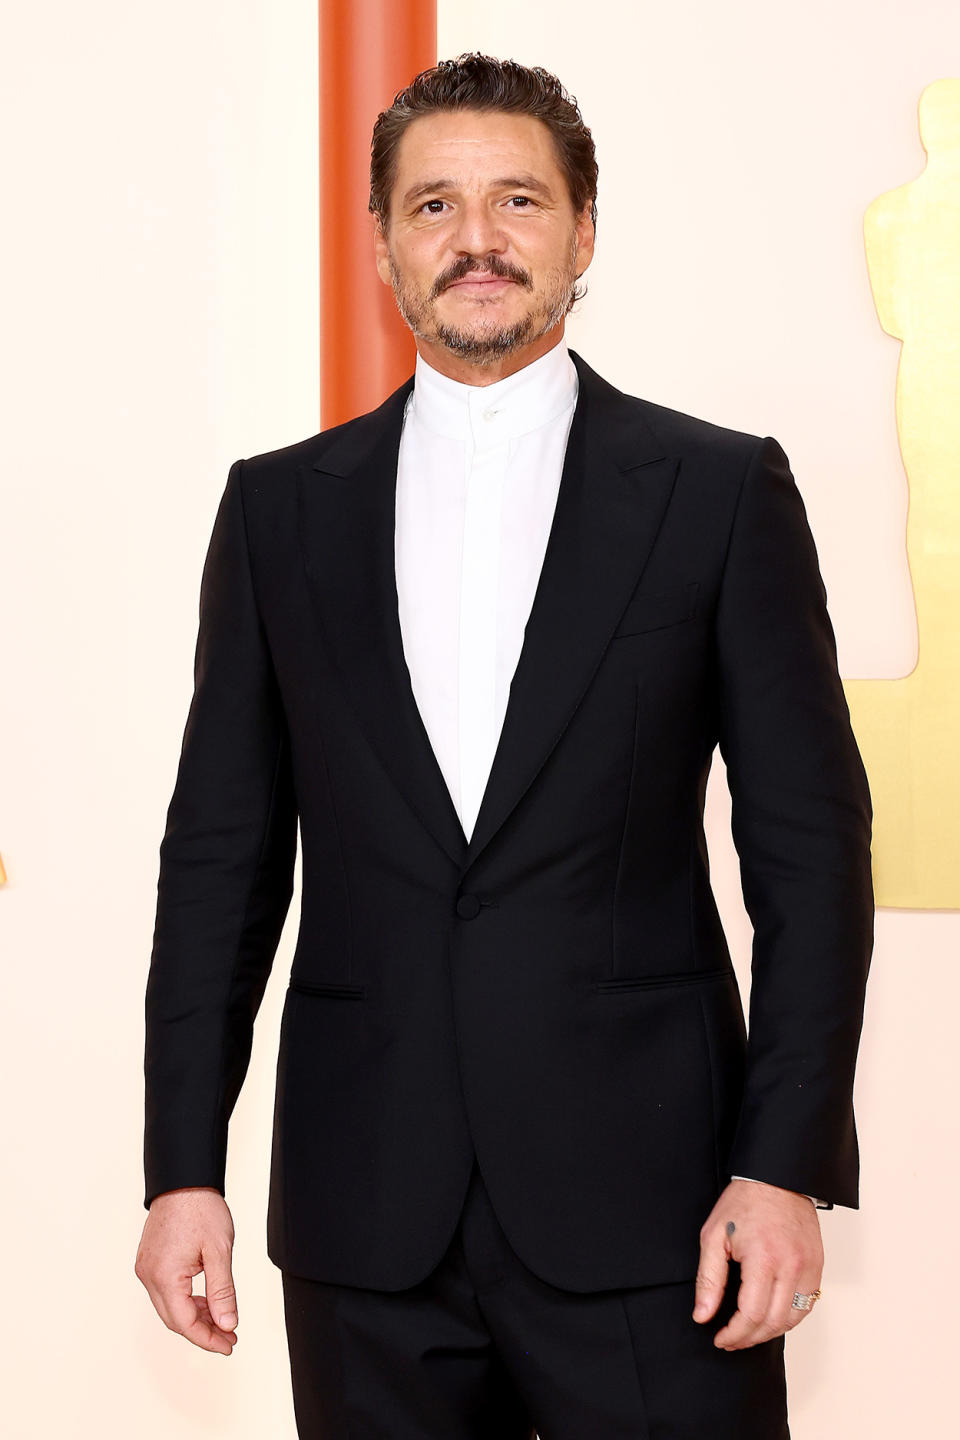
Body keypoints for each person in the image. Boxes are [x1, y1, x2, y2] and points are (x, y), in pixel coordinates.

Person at [135, 53, 874, 1439]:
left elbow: (809, 857)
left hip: (664, 1219)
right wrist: (184, 1168)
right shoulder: (279, 515)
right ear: (384, 246)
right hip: (365, 1218)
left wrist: (784, 1168)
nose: (476, 238)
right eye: (434, 207)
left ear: (583, 231)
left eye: (518, 200)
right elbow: (219, 866)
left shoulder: (718, 494)